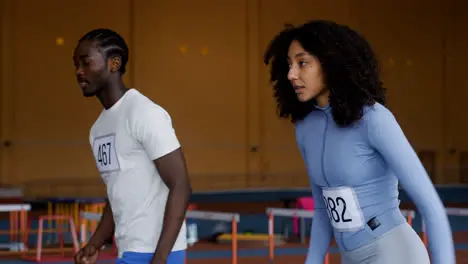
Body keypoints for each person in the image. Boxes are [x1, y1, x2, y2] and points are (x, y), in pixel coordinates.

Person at [263, 20, 455, 264]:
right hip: (349, 257)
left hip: (395, 253)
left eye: (303, 63)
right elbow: (323, 210)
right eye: (289, 65)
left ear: (331, 63)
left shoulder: (374, 120)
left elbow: (431, 207)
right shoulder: (304, 128)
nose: (292, 74)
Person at [72, 28, 192, 264]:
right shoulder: (97, 130)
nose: (79, 71)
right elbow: (117, 192)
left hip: (156, 252)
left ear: (113, 64)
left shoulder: (144, 113)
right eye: (76, 64)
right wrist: (95, 243)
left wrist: (160, 258)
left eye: (86, 63)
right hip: (129, 249)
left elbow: (181, 185)